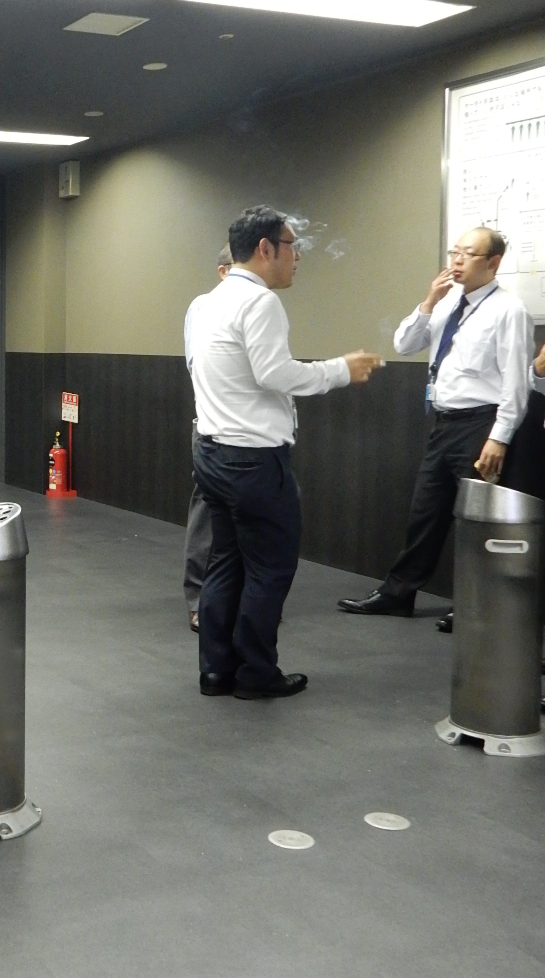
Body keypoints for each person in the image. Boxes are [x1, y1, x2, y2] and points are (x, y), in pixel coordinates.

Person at [187, 205, 382, 698]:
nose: (298, 257)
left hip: (212, 452)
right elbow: (274, 373)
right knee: (269, 569)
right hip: (252, 460)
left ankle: (217, 671)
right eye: (292, 246)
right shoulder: (260, 302)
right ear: (265, 248)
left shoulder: (205, 303)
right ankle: (256, 675)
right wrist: (340, 370)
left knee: (225, 561)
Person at [338, 227, 531, 623]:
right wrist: (429, 301)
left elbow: (516, 383)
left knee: (478, 520)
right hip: (444, 424)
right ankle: (398, 594)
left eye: (467, 254)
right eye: (454, 252)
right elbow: (404, 344)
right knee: (425, 513)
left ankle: (475, 606)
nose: (456, 261)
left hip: (481, 425)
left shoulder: (508, 311)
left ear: (493, 262)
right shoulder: (447, 304)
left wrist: (499, 437)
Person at [183, 244, 232, 631]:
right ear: (223, 271)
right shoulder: (203, 308)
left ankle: (241, 597)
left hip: (255, 435)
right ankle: (199, 599)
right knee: (207, 512)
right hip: (215, 428)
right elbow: (200, 367)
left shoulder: (263, 309)